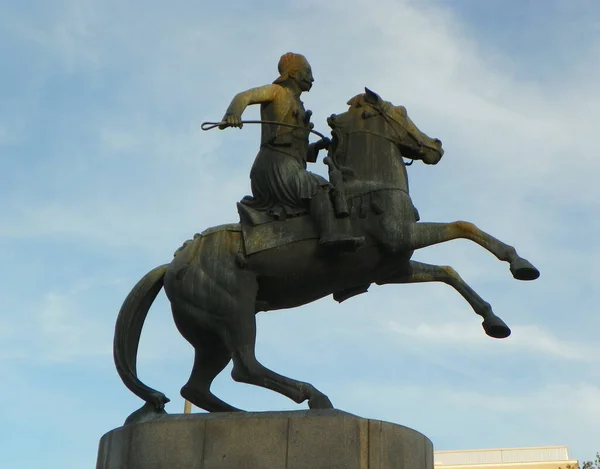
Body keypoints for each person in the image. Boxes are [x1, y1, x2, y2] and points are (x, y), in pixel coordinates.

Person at [220, 52, 363, 252]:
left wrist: (316, 147)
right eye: (308, 72)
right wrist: (233, 114)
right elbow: (244, 96)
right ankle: (331, 235)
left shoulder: (299, 105)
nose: (312, 78)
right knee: (318, 186)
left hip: (289, 165)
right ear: (294, 73)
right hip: (274, 165)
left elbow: (299, 152)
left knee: (320, 184)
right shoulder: (278, 92)